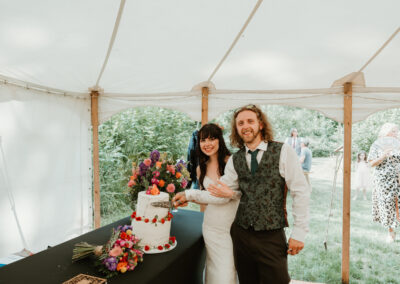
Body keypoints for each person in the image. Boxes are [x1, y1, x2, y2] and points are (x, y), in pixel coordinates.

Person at [174, 105, 310, 284]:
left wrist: (299, 232)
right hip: (241, 235)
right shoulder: (236, 160)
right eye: (240, 123)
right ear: (236, 129)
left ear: (260, 125)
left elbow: (300, 191)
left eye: (250, 121)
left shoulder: (283, 151)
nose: (245, 126)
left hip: (271, 235)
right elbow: (219, 194)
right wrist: (189, 195)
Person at [173, 123, 239, 284]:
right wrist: (187, 199)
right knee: (213, 271)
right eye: (203, 140)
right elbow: (207, 197)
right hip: (211, 226)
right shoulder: (199, 169)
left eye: (212, 139)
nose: (207, 144)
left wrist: (189, 194)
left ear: (220, 140)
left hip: (231, 227)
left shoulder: (232, 162)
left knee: (227, 272)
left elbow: (223, 197)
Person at [368, 122, 400, 243]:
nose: (396, 133)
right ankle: (391, 233)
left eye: (396, 131)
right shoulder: (377, 146)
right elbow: (370, 163)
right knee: (387, 206)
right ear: (386, 132)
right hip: (383, 181)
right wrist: (383, 156)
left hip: (398, 179)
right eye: (393, 131)